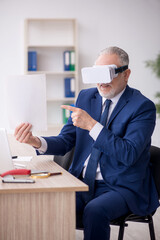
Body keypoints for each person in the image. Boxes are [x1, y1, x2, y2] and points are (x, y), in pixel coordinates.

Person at [14, 46, 159, 240]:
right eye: (96, 73)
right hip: (82, 183)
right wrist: (36, 141)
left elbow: (129, 153)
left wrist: (92, 125)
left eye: (108, 73)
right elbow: (66, 140)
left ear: (126, 74)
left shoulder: (142, 107)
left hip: (122, 186)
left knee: (94, 211)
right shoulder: (85, 97)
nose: (101, 81)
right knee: (46, 204)